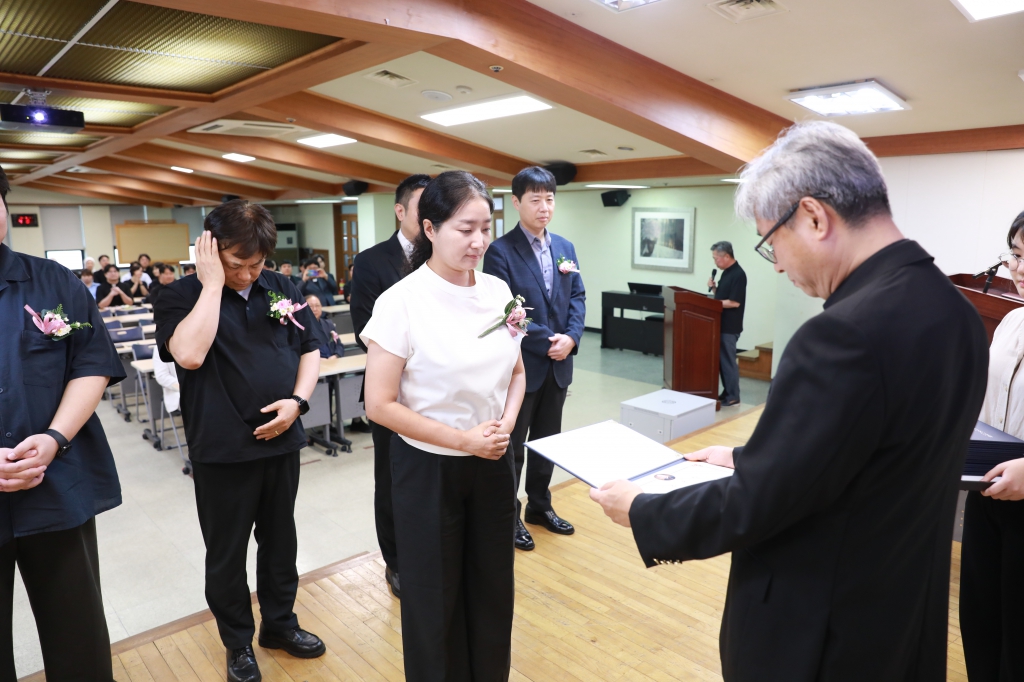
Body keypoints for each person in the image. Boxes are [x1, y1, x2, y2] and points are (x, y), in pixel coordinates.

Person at [590, 121, 989, 682]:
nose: (775, 263)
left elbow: (757, 505)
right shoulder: (956, 311)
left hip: (820, 631)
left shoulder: (842, 335)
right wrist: (753, 455)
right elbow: (873, 453)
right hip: (900, 612)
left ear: (814, 216)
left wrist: (643, 509)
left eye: (770, 240)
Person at [361, 170, 526, 681]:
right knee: (434, 601)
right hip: (428, 468)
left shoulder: (500, 291)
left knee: (493, 590)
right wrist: (463, 440)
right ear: (429, 228)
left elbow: (518, 373)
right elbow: (379, 405)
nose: (479, 241)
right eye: (465, 229)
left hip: (493, 460)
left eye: (486, 228)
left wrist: (504, 427)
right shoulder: (401, 301)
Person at [154, 200, 328, 682]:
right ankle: (237, 642)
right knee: (227, 552)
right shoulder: (180, 295)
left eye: (257, 264)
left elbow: (310, 349)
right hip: (223, 447)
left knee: (280, 542)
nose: (249, 275)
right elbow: (188, 355)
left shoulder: (282, 287)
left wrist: (298, 401)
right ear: (208, 250)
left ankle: (280, 625)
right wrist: (213, 283)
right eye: (236, 264)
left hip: (283, 437)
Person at [0, 167, 126, 680]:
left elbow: (91, 362)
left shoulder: (51, 280)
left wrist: (55, 437)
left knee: (77, 633)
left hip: (55, 484)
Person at [483, 165, 585, 551]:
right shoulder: (499, 251)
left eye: (550, 199)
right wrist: (547, 341)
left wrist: (572, 338)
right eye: (536, 200)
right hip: (523, 367)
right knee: (515, 445)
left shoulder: (565, 247)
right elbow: (506, 308)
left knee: (548, 442)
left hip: (560, 364)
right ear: (516, 202)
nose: (545, 207)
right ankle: (508, 514)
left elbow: (577, 297)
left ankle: (540, 506)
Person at [351, 173, 430, 597]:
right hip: (393, 390)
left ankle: (429, 551)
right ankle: (396, 561)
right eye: (422, 208)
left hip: (437, 392)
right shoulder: (370, 261)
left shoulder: (444, 255)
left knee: (431, 475)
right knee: (393, 478)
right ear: (400, 212)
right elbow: (367, 328)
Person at [960, 209, 1024, 682]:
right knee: (981, 620)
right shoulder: (1010, 323)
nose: (1019, 270)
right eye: (1017, 256)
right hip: (986, 488)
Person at [708, 241, 746, 406]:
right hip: (721, 323)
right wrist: (715, 290)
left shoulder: (738, 274)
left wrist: (711, 304)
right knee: (722, 361)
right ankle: (727, 392)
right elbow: (723, 298)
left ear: (727, 256)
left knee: (728, 362)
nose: (715, 262)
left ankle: (733, 395)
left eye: (716, 258)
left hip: (730, 326)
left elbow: (734, 302)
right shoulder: (726, 273)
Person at [305, 294, 344, 359]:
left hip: (332, 362)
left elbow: (339, 345)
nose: (314, 309)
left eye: (317, 306)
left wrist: (335, 356)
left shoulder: (328, 324)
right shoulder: (301, 329)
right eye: (310, 306)